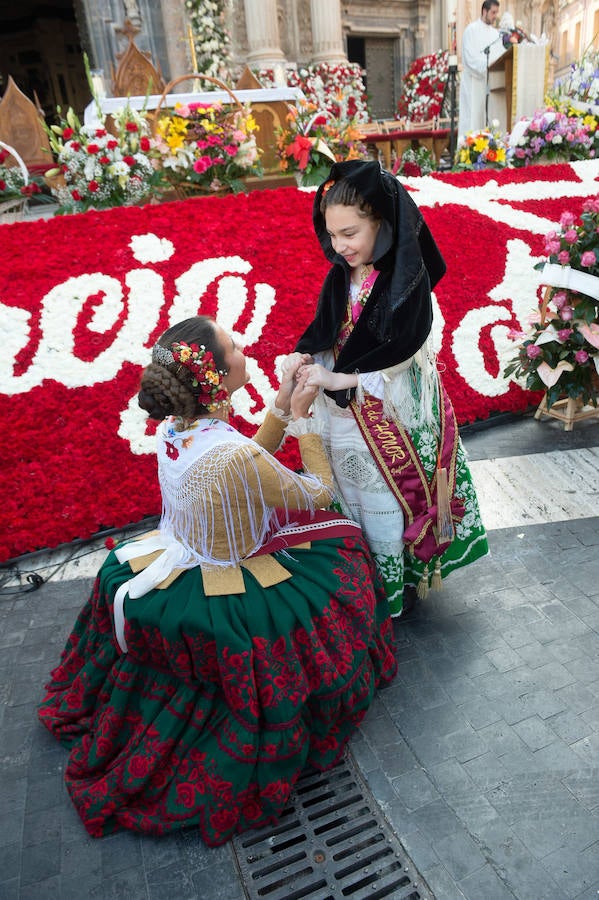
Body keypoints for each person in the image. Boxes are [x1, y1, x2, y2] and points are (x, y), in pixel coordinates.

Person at [38, 314, 397, 846]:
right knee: (341, 544)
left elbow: (251, 460)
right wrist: (302, 421)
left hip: (182, 552)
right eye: (232, 346)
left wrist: (278, 400)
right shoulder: (232, 455)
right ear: (214, 377)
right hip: (229, 576)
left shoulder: (181, 428)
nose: (242, 347)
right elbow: (317, 492)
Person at [284, 159, 488, 616]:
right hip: (345, 417)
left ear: (382, 221)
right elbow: (329, 331)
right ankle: (365, 581)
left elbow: (408, 365)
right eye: (332, 235)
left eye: (350, 233)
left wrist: (337, 378)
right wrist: (308, 357)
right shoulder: (343, 273)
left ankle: (401, 582)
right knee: (355, 497)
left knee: (389, 502)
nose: (339, 246)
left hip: (390, 416)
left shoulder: (406, 283)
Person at [457, 0, 506, 139]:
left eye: (497, 12)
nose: (495, 16)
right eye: (493, 12)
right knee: (472, 121)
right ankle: (470, 154)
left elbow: (501, 57)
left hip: (491, 85)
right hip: (474, 83)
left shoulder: (496, 35)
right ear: (484, 11)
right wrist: (488, 66)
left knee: (489, 121)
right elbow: (469, 59)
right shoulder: (471, 30)